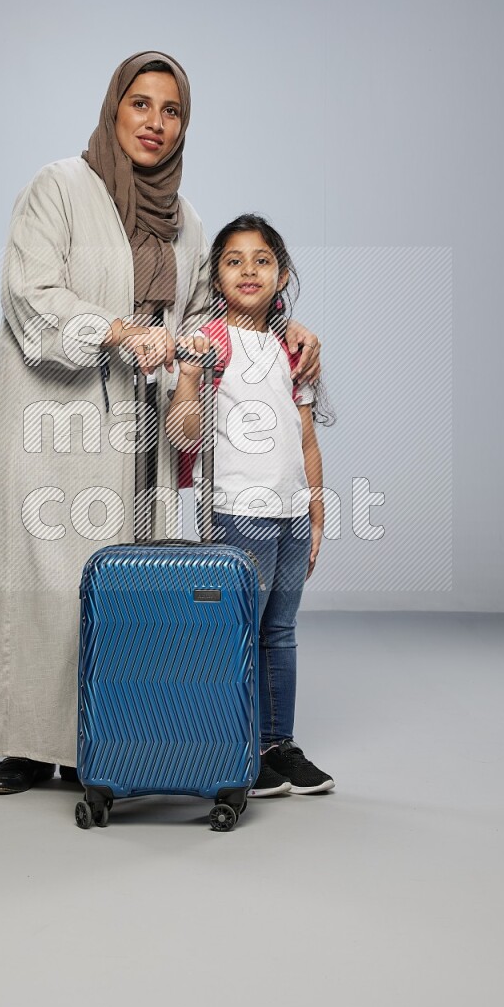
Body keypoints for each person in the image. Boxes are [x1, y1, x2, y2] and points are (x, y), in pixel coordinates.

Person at [0, 52, 323, 794]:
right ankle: (27, 743)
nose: (156, 123)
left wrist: (290, 329)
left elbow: (209, 319)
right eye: (142, 104)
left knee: (119, 583)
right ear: (114, 107)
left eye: (172, 111)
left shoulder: (188, 222)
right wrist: (116, 329)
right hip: (47, 415)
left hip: (137, 430)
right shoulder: (56, 187)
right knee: (42, 578)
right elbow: (30, 295)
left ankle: (112, 737)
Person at [167, 214, 335, 797]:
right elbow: (184, 434)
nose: (248, 270)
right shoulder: (209, 341)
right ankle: (236, 744)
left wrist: (316, 514)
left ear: (281, 275)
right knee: (237, 629)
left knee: (279, 631)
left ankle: (276, 743)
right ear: (216, 277)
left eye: (261, 260)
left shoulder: (294, 350)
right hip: (237, 506)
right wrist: (188, 378)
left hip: (290, 512)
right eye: (233, 260)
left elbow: (307, 437)